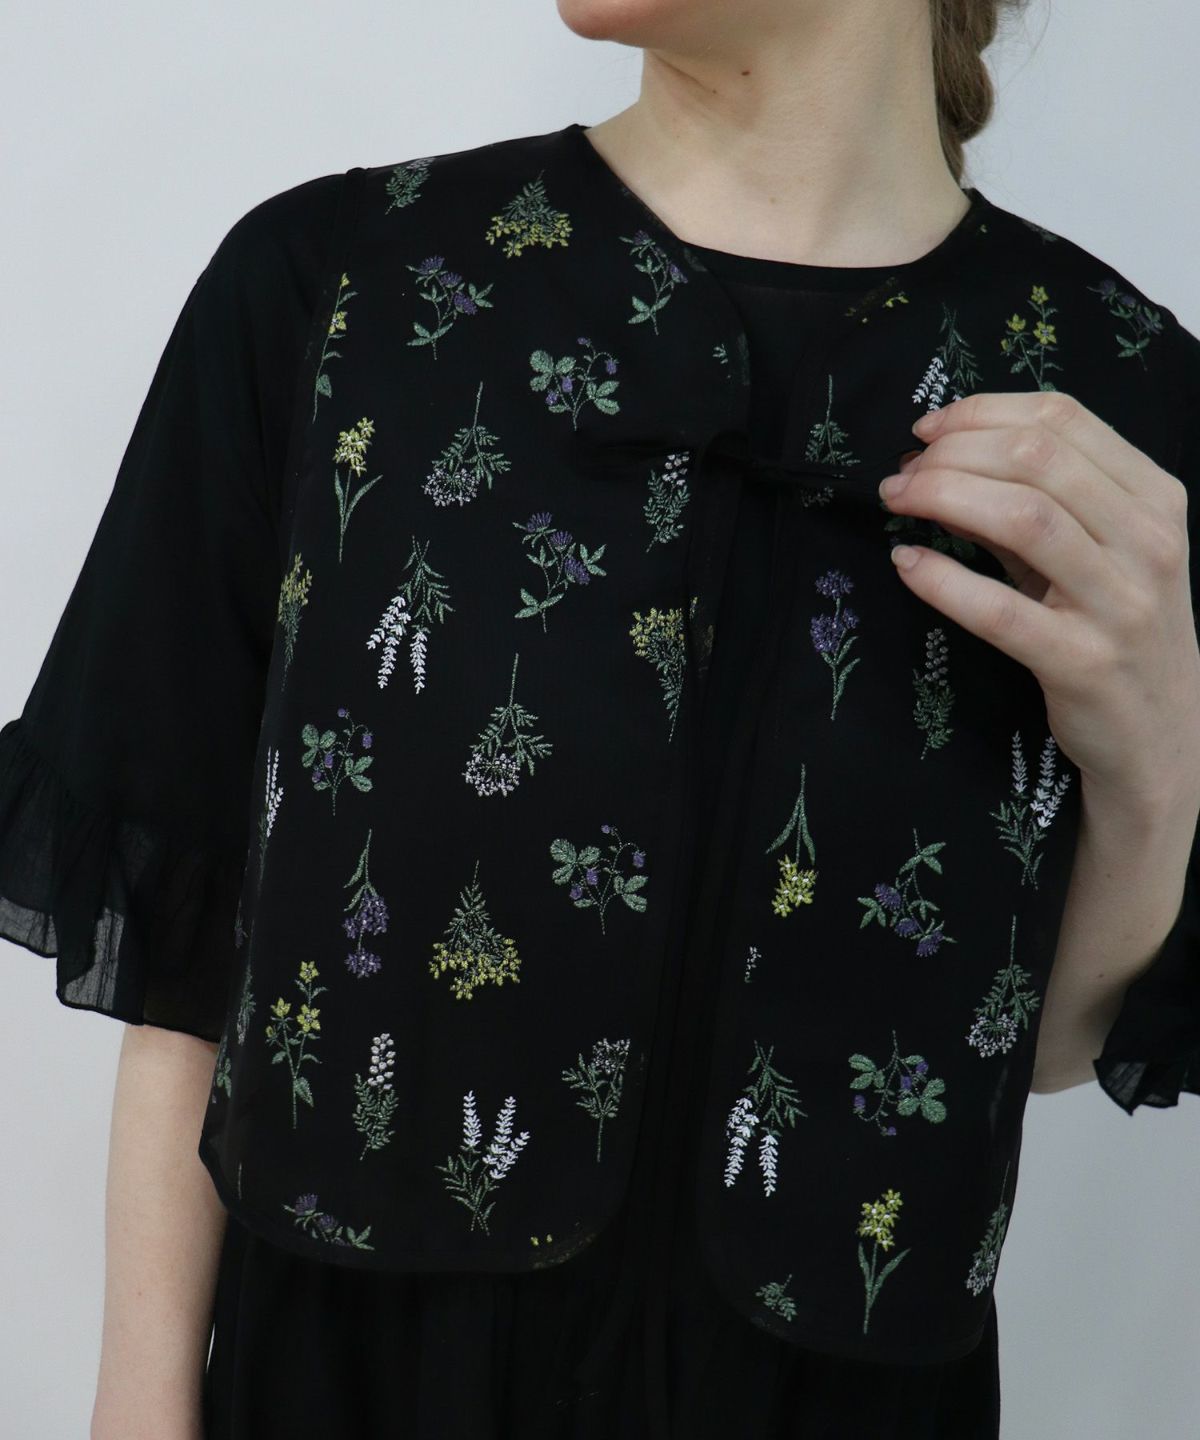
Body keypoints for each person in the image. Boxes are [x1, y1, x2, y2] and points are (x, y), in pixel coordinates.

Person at [2, 3, 1198, 1438]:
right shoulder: (346, 290)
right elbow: (187, 939)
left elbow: (1043, 1049)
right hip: (350, 1382)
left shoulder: (1119, 406)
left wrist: (1155, 762)